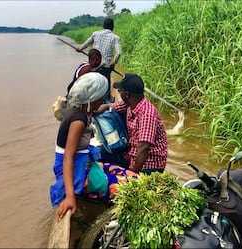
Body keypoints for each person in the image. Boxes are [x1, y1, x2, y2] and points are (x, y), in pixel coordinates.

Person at [50, 72, 137, 221]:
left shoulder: (84, 112)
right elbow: (68, 157)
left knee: (131, 175)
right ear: (91, 99)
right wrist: (70, 197)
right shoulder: (79, 120)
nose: (102, 100)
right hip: (77, 170)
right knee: (130, 186)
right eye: (100, 98)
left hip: (84, 163)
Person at [96, 73, 168, 175]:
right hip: (131, 156)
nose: (119, 94)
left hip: (148, 165)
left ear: (126, 94)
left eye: (120, 91)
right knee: (100, 152)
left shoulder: (147, 114)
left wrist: (131, 174)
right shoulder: (130, 104)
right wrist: (95, 110)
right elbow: (110, 107)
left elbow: (144, 148)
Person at [76, 17, 121, 103]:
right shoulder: (115, 38)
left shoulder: (95, 34)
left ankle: (90, 102)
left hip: (93, 66)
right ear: (112, 27)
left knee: (92, 85)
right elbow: (118, 53)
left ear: (103, 26)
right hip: (105, 67)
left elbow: (86, 43)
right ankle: (105, 103)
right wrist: (113, 64)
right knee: (105, 88)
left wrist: (80, 49)